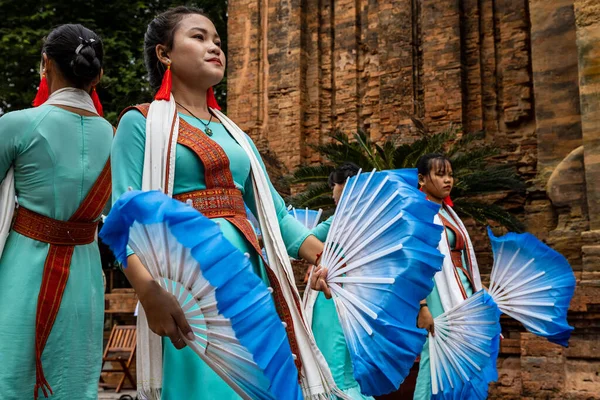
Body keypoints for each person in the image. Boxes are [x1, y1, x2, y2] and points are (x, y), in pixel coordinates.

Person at [111, 6, 339, 399]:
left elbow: (277, 217)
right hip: (185, 286)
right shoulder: (141, 122)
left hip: (249, 279)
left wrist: (327, 258)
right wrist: (148, 292)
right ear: (164, 54)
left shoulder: (237, 137)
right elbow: (121, 220)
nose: (214, 47)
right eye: (198, 37)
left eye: (217, 40)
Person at [0, 24, 111, 399]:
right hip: (86, 276)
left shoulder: (17, 125)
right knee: (75, 378)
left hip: (22, 271)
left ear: (45, 64)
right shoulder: (116, 136)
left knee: (12, 374)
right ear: (98, 73)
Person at [412, 153, 483, 400]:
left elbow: (465, 260)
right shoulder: (416, 213)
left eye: (450, 174)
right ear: (421, 179)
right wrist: (422, 307)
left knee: (461, 360)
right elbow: (412, 264)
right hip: (434, 293)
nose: (447, 180)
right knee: (433, 358)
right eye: (440, 174)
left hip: (463, 293)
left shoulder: (450, 215)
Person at [303, 162, 374, 399]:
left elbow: (306, 239)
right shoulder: (372, 221)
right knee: (349, 368)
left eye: (334, 186)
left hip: (331, 294)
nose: (333, 192)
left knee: (330, 363)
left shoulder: (340, 220)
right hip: (360, 298)